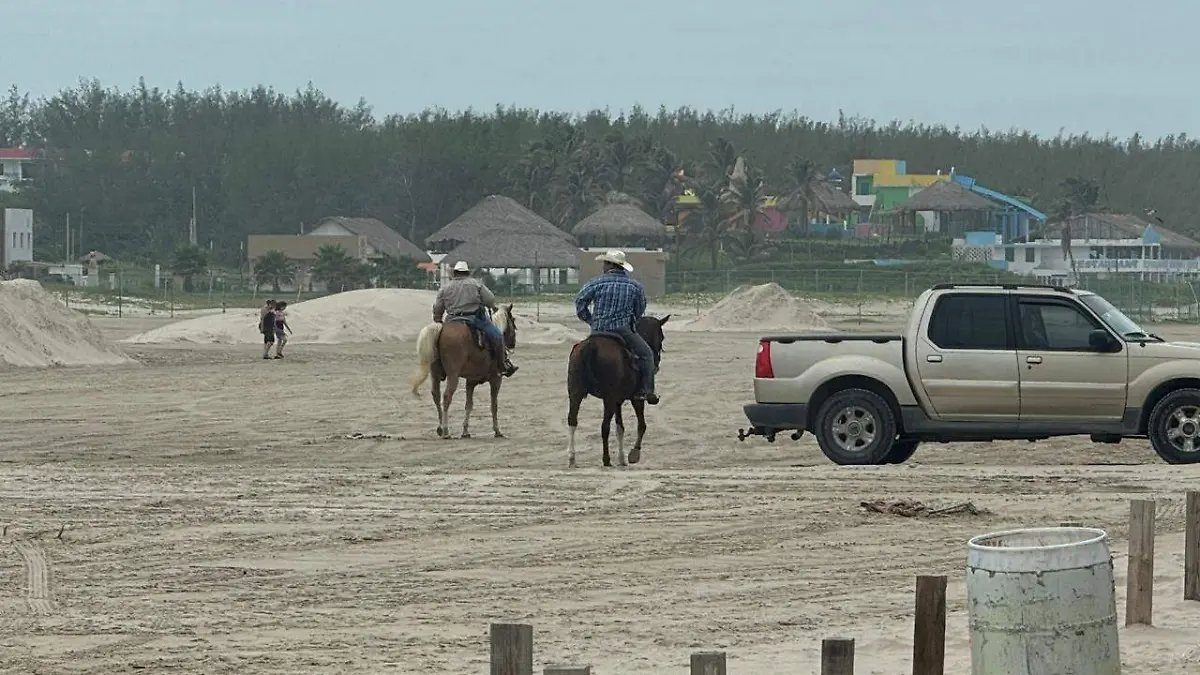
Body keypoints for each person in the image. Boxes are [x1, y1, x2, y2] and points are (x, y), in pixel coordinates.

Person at [574, 249, 658, 405]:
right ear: (622, 266)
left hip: (598, 330)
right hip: (623, 331)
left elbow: (580, 302)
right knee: (647, 355)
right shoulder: (635, 286)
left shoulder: (595, 282)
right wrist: (632, 321)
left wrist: (591, 320)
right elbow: (640, 309)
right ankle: (647, 391)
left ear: (608, 264)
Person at [432, 260, 517, 377]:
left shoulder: (445, 288)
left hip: (451, 319)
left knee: (435, 341)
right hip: (474, 318)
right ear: (467, 273)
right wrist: (492, 307)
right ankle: (502, 365)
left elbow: (438, 307)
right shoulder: (476, 284)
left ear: (455, 273)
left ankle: (439, 366)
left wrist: (438, 319)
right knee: (497, 336)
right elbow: (490, 299)